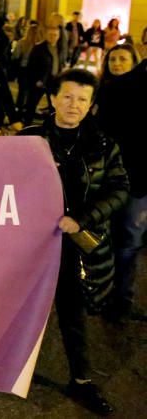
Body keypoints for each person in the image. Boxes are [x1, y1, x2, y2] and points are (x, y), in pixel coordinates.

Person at [20, 70, 129, 415]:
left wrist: (82, 219)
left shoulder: (103, 144)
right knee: (13, 309)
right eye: (67, 97)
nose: (74, 105)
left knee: (72, 313)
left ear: (91, 105)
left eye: (83, 99)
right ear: (52, 98)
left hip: (73, 247)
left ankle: (82, 379)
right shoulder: (28, 139)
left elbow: (119, 189)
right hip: (27, 247)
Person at [95, 45, 145, 324]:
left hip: (136, 181)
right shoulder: (105, 90)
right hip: (109, 177)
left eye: (122, 58)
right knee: (111, 236)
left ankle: (121, 297)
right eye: (112, 58)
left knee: (128, 239)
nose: (116, 63)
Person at [20, 25, 62, 125]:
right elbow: (31, 66)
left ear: (58, 36)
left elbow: (59, 63)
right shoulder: (39, 48)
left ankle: (52, 126)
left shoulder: (58, 48)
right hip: (40, 81)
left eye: (55, 35)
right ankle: (26, 125)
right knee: (32, 104)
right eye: (50, 35)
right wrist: (36, 80)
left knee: (53, 105)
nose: (53, 37)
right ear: (46, 35)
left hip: (53, 80)